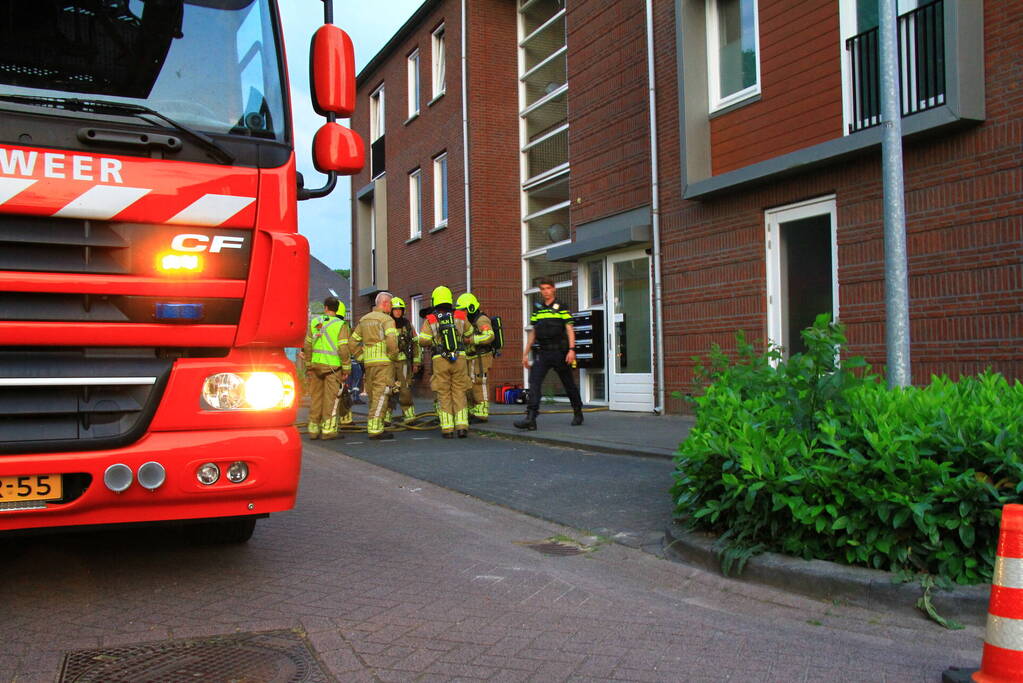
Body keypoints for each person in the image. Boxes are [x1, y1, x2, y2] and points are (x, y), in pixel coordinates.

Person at [514, 278, 583, 430]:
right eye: (543, 289)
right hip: (543, 352)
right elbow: (533, 333)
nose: (546, 291)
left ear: (554, 289)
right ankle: (531, 418)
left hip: (560, 352)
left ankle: (578, 411)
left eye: (548, 288)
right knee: (534, 382)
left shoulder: (561, 307)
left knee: (568, 384)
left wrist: (572, 350)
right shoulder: (538, 309)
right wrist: (525, 354)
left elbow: (569, 329)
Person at [418, 286, 473, 438]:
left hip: (440, 358)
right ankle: (462, 427)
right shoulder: (460, 315)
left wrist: (434, 342)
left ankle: (447, 429)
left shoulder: (431, 318)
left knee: (443, 393)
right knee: (459, 391)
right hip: (459, 357)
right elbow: (469, 333)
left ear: (434, 300)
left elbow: (423, 340)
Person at [348, 292, 399, 440]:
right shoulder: (387, 320)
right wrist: (393, 356)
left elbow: (352, 342)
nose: (391, 307)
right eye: (391, 304)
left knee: (373, 396)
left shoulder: (364, 320)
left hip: (369, 364)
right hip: (384, 363)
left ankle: (374, 425)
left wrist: (361, 357)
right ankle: (375, 429)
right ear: (385, 303)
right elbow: (392, 341)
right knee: (381, 395)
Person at [300, 297, 350, 440]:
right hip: (333, 368)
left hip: (316, 366)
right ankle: (328, 430)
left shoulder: (316, 322)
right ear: (337, 309)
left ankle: (313, 428)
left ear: (325, 308)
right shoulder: (340, 325)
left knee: (316, 398)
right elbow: (343, 348)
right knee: (331, 399)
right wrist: (346, 368)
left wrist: (308, 365)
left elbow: (308, 345)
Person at [456, 292, 494, 423]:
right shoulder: (469, 321)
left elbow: (489, 336)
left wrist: (471, 340)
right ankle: (472, 411)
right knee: (469, 384)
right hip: (471, 357)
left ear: (471, 308)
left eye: (464, 310)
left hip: (481, 358)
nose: (462, 313)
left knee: (479, 383)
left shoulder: (481, 320)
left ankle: (481, 413)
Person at [386, 297, 421, 425]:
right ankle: (386, 416)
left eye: (400, 309)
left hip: (403, 362)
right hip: (389, 362)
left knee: (405, 389)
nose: (398, 312)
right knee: (389, 389)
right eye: (395, 309)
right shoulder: (386, 323)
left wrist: (416, 362)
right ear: (391, 310)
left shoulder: (407, 325)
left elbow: (416, 343)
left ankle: (409, 415)